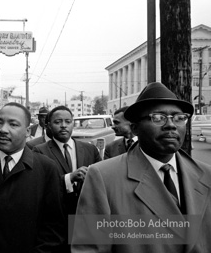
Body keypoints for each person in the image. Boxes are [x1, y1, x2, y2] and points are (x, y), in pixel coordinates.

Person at [72, 82, 211, 253]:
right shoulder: (102, 177)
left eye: (179, 117)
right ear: (135, 128)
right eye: (158, 117)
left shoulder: (206, 174)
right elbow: (88, 248)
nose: (171, 125)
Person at [0, 102, 65, 253]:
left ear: (27, 131)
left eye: (13, 124)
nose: (3, 130)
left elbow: (54, 228)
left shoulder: (46, 169)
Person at [33, 106, 101, 252]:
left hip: (85, 215)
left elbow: (101, 180)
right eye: (58, 122)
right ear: (49, 125)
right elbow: (39, 184)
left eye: (68, 121)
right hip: (57, 219)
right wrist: (69, 178)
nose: (64, 125)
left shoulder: (90, 149)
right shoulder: (39, 150)